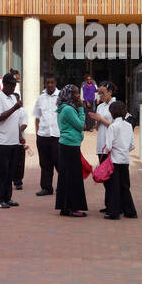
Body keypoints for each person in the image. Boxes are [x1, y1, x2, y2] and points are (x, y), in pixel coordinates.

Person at [0, 73, 24, 209]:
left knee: (10, 171)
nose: (13, 88)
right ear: (5, 84)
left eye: (15, 85)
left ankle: (7, 198)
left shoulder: (13, 98)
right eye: (11, 85)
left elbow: (17, 119)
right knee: (0, 171)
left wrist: (20, 136)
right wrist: (15, 107)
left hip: (13, 141)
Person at [54, 84, 89, 217]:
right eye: (74, 94)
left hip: (67, 145)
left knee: (67, 176)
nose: (77, 96)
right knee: (74, 177)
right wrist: (81, 109)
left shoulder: (63, 108)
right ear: (68, 95)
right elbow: (80, 126)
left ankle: (65, 207)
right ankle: (73, 208)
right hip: (70, 145)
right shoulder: (68, 109)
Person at [103, 100, 138, 220]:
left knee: (114, 186)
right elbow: (132, 145)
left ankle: (114, 212)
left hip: (114, 159)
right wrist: (124, 150)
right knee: (125, 186)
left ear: (113, 113)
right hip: (125, 159)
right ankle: (130, 211)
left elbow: (108, 146)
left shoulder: (113, 126)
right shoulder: (128, 126)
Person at [87, 82, 116, 212]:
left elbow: (117, 126)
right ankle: (109, 203)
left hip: (111, 145)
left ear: (110, 92)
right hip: (101, 145)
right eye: (99, 93)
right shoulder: (100, 106)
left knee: (111, 177)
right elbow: (98, 128)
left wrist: (102, 119)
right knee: (104, 176)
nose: (101, 95)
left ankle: (113, 205)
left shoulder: (116, 105)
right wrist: (96, 120)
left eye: (103, 93)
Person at [33, 75, 60, 196]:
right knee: (45, 163)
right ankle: (46, 188)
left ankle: (62, 186)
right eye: (47, 82)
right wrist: (37, 134)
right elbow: (37, 117)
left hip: (57, 135)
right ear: (44, 83)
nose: (49, 85)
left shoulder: (61, 97)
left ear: (55, 83)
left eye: (52, 82)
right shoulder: (41, 98)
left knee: (60, 163)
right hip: (43, 135)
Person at [8, 69, 25, 189]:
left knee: (19, 162)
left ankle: (18, 181)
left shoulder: (22, 111)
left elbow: (24, 124)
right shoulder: (4, 102)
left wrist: (19, 134)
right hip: (8, 140)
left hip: (19, 141)